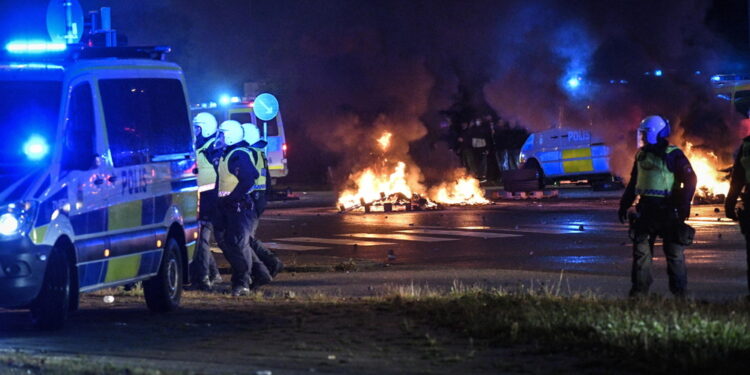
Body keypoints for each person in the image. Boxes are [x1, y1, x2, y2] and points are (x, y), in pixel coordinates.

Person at [618, 115, 697, 298]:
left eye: (645, 133)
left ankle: (680, 296)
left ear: (654, 133)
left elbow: (690, 179)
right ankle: (639, 294)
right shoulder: (641, 154)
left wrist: (683, 204)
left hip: (668, 211)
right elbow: (634, 183)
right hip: (646, 210)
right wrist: (624, 204)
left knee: (674, 253)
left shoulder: (673, 154)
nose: (642, 137)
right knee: (641, 254)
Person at [212, 120, 258, 296]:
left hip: (238, 207)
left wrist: (232, 197)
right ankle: (244, 279)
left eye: (222, 134)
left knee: (238, 245)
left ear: (230, 136)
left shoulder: (238, 155)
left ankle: (243, 283)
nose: (220, 138)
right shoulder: (228, 153)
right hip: (228, 207)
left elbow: (249, 179)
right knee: (229, 243)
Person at [240, 123, 284, 288]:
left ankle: (267, 266)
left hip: (250, 202)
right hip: (257, 201)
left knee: (244, 241)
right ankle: (270, 264)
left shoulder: (249, 154)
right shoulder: (258, 153)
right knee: (247, 239)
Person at [189, 112, 222, 291]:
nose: (194, 131)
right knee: (200, 240)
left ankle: (202, 280)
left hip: (209, 199)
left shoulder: (212, 148)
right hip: (201, 198)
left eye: (197, 128)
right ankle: (213, 274)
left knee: (201, 240)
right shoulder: (201, 146)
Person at [724, 133, 750, 297]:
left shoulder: (747, 146)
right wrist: (730, 203)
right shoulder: (746, 146)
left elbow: (737, 178)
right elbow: (738, 177)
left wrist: (730, 203)